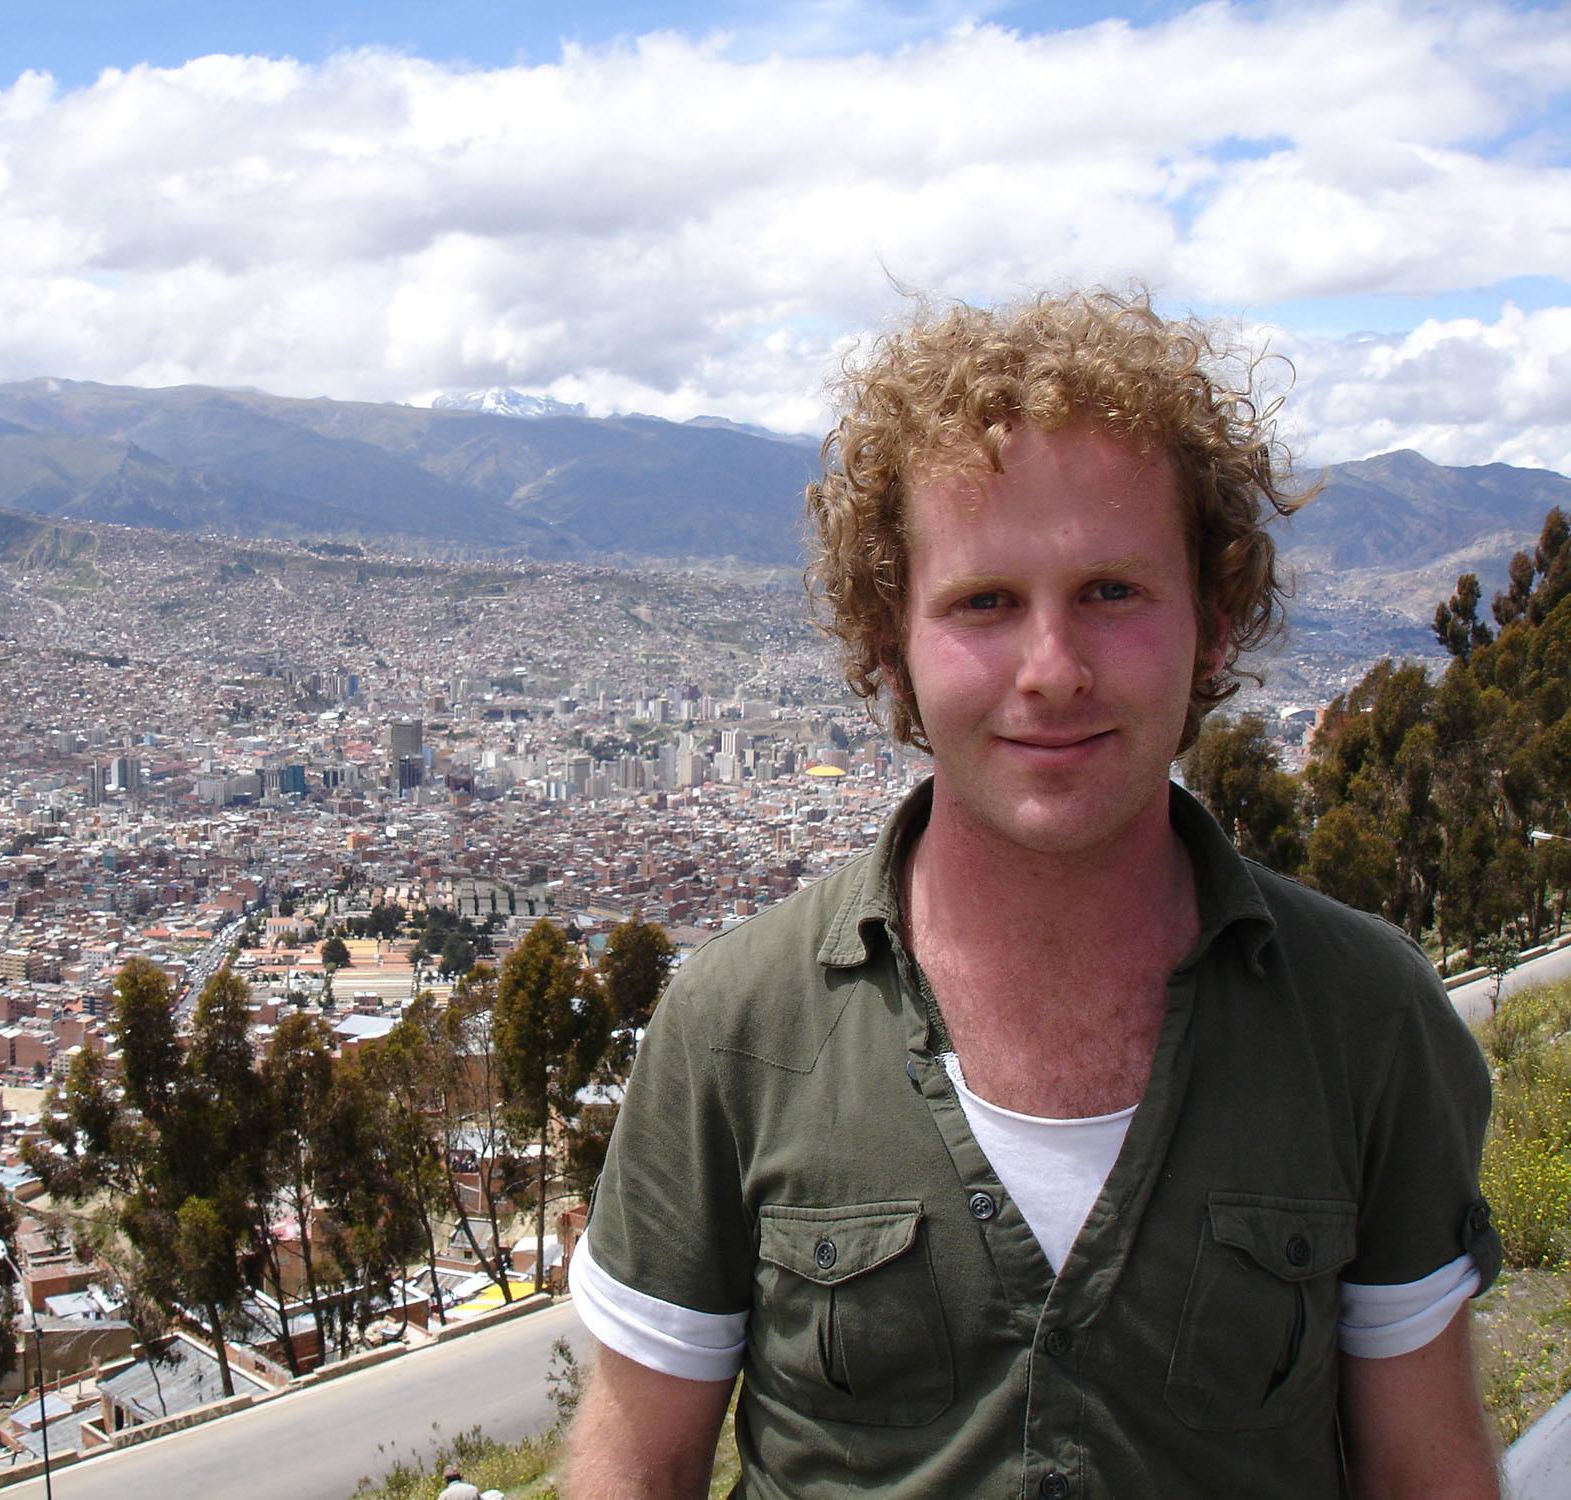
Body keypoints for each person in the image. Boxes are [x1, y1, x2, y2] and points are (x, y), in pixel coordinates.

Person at [564, 290, 1502, 1498]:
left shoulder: (1363, 1019)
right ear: (887, 637)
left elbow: (1426, 1471)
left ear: (1212, 625)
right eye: (983, 603)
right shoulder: (734, 1030)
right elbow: (633, 1468)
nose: (1051, 672)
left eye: (1111, 591)